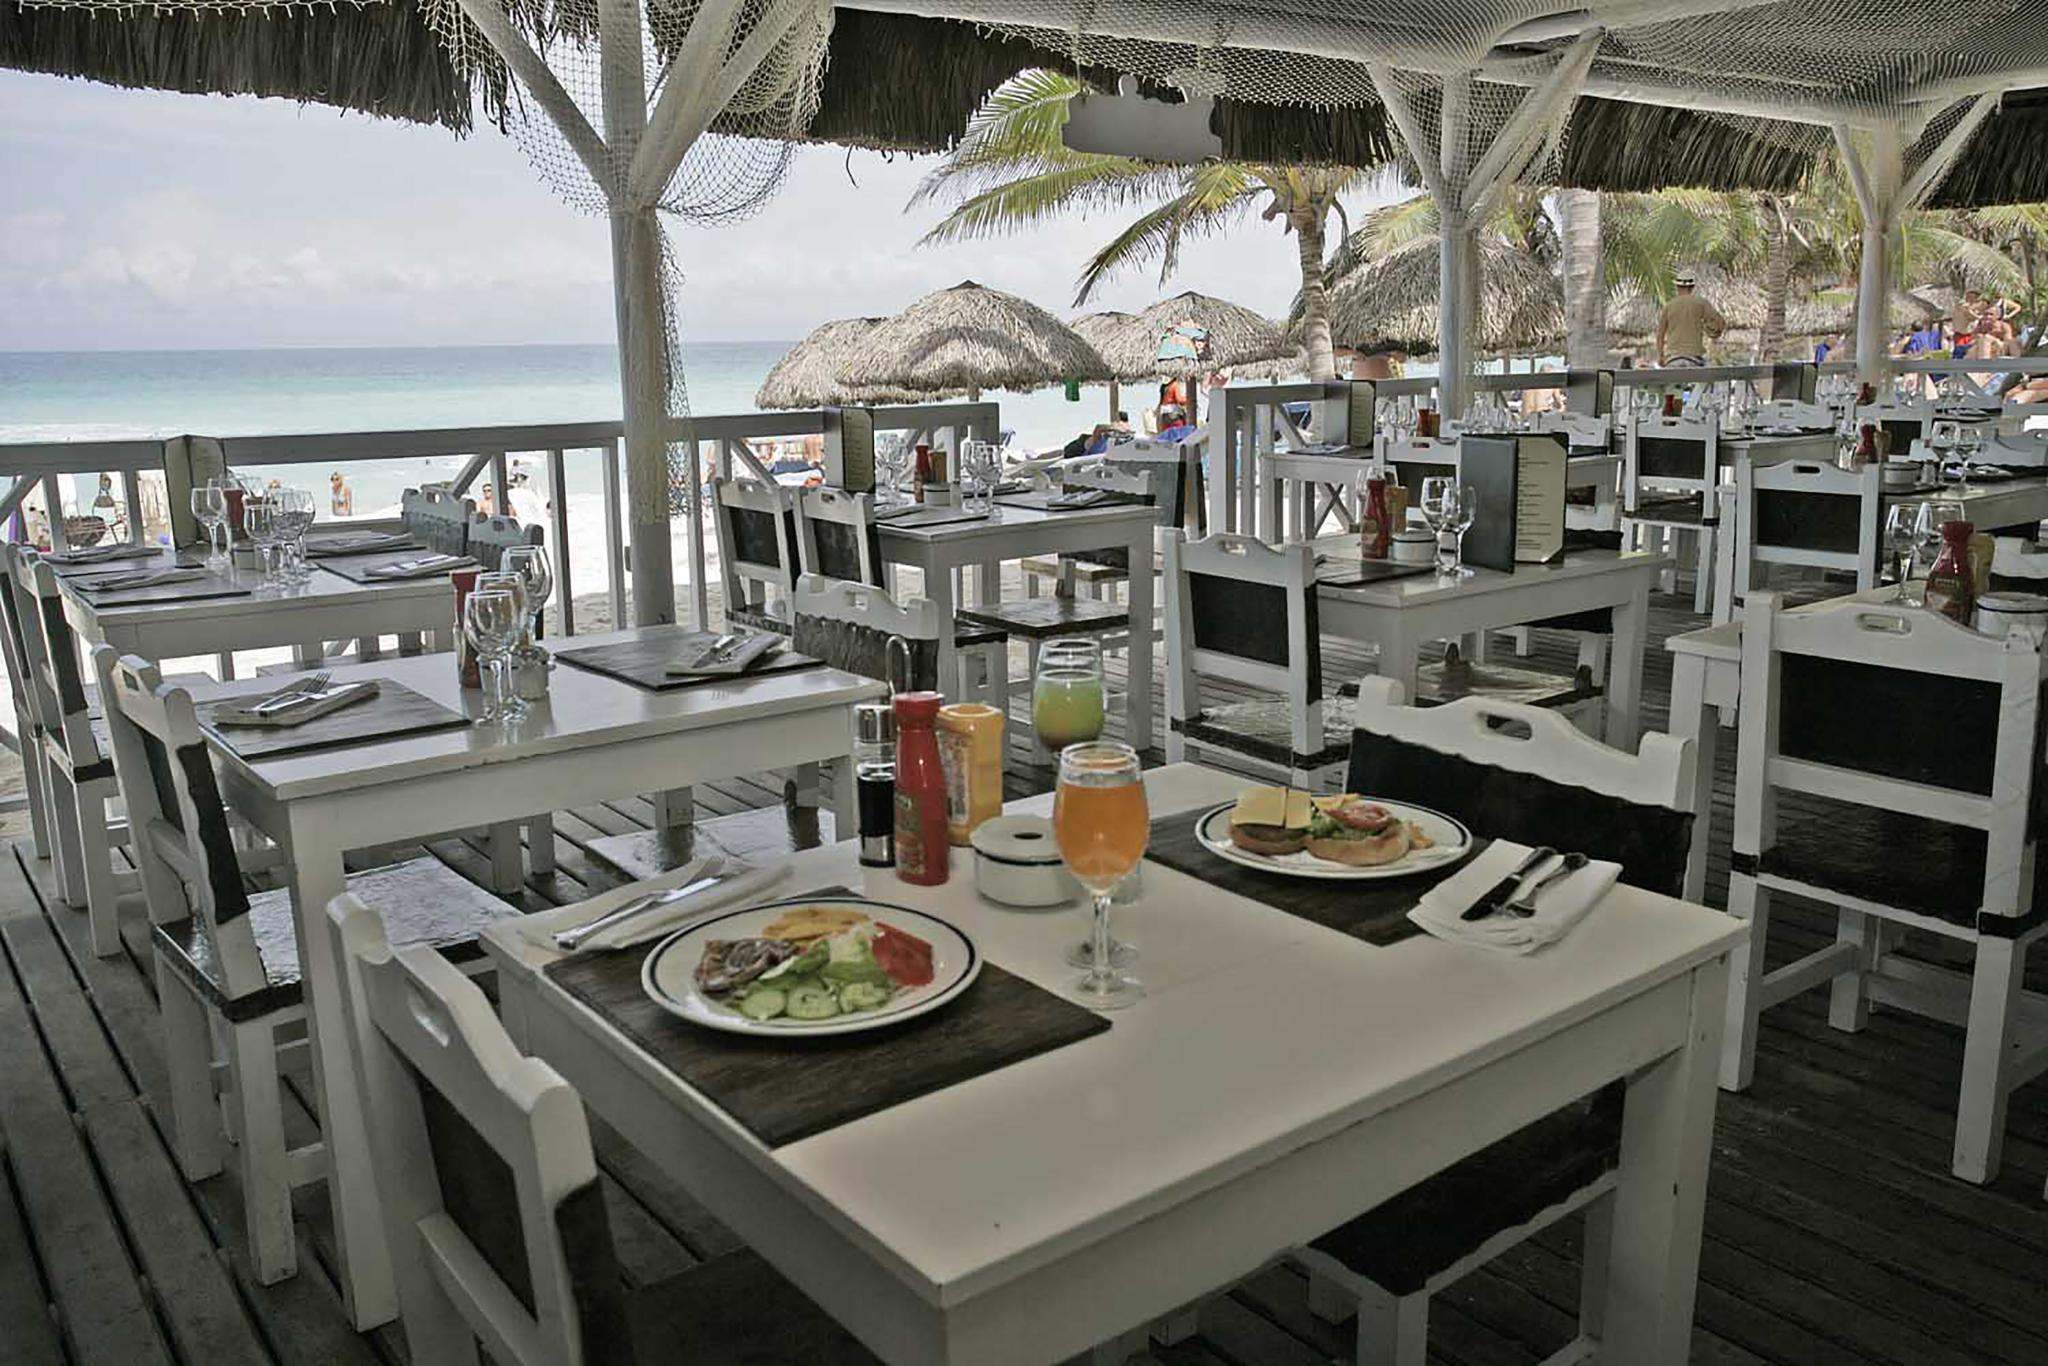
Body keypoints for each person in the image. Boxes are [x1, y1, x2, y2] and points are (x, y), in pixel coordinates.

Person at [1656, 272, 1725, 366]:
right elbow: (1719, 323)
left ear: (1677, 287)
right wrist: (1710, 331)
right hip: (1694, 358)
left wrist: (1661, 356)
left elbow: (1660, 335)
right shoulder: (1701, 303)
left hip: (1673, 359)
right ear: (1692, 287)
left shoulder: (1669, 306)